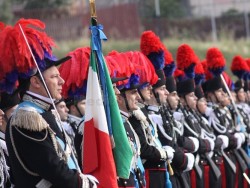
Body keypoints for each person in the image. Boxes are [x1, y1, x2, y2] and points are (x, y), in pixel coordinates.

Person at [0, 19, 97, 187]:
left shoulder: (42, 113)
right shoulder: (26, 118)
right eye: (54, 77)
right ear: (36, 82)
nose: (62, 81)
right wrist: (84, 183)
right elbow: (53, 168)